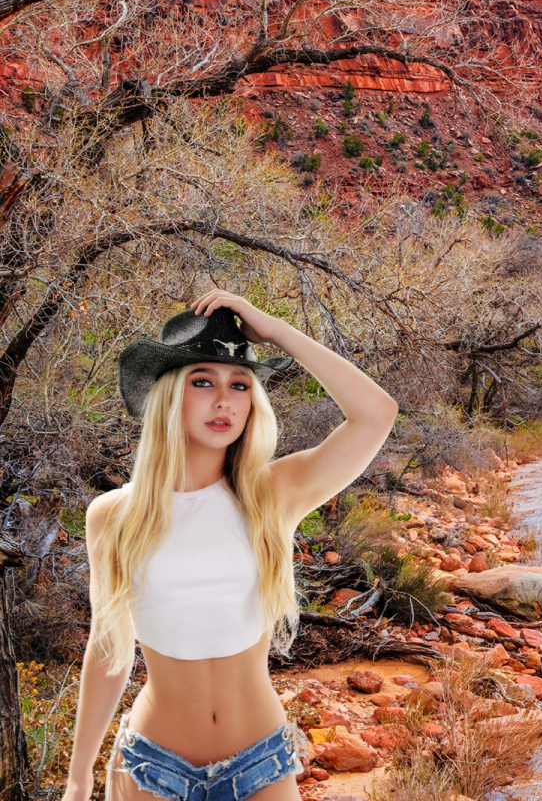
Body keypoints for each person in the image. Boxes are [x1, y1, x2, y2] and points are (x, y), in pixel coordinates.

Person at [61, 289, 398, 801]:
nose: (224, 399)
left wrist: (277, 331)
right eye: (203, 381)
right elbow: (109, 651)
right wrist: (78, 777)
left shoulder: (272, 493)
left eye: (240, 385)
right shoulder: (112, 516)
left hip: (260, 761)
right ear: (168, 396)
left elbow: (376, 414)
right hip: (151, 767)